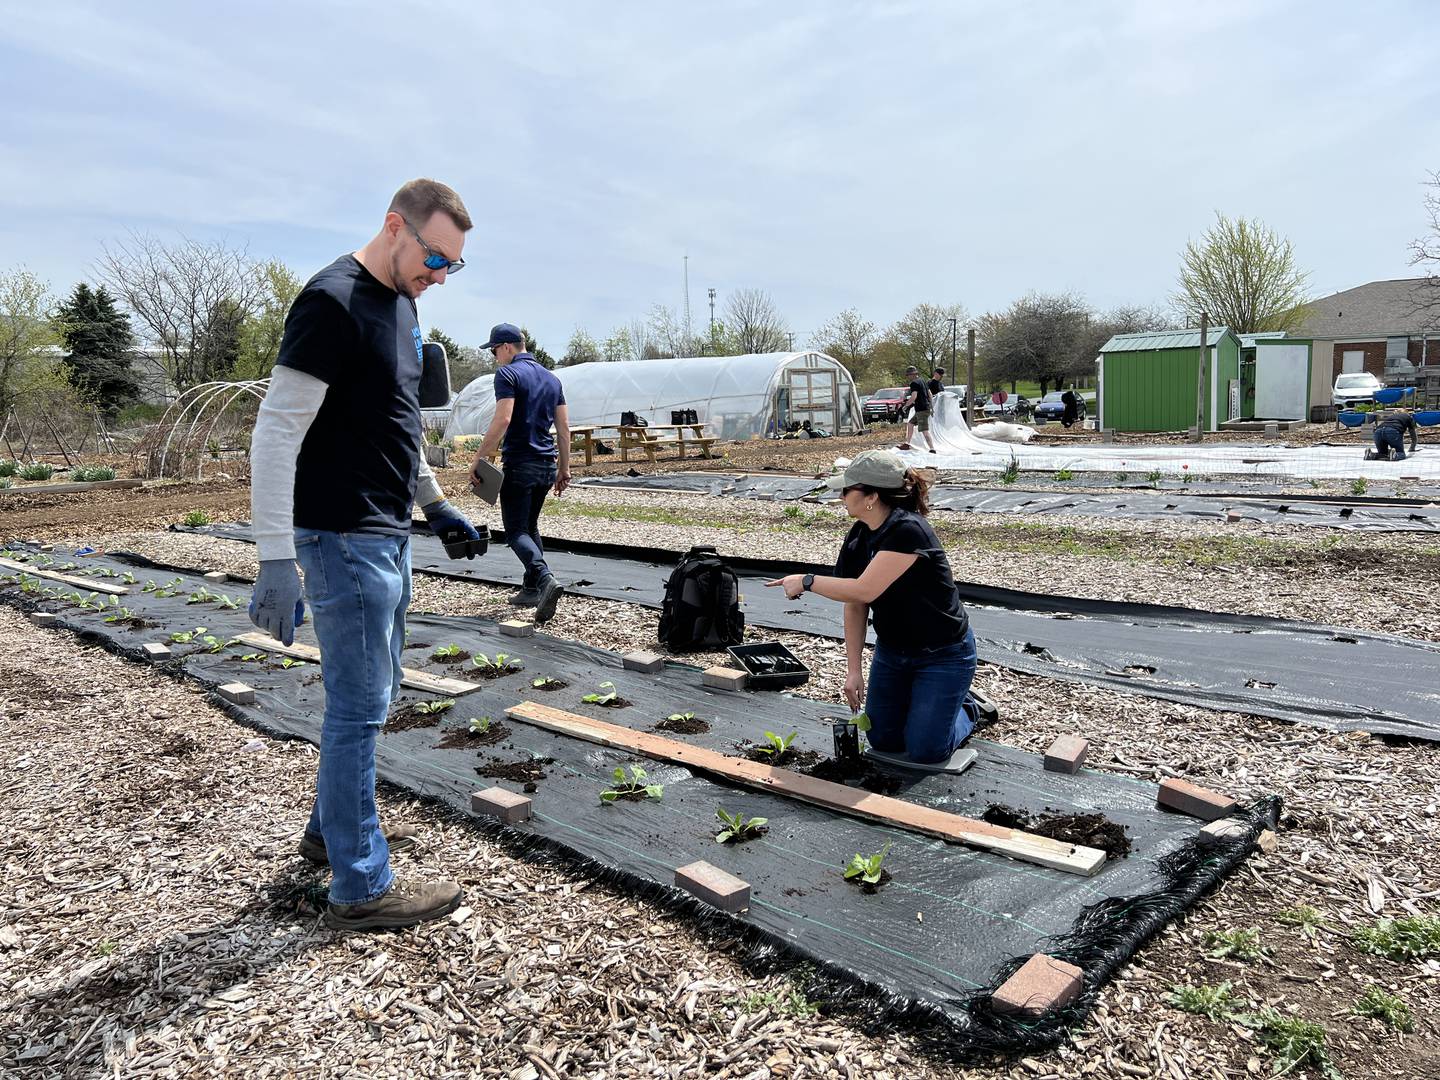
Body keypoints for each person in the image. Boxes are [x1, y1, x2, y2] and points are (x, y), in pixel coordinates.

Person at [248, 178, 479, 932]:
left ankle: (331, 834)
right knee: (358, 707)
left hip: (385, 533)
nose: (440, 275)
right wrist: (275, 555)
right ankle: (361, 885)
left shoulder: (404, 309)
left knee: (371, 697)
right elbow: (276, 433)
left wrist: (435, 502)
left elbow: (399, 422)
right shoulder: (332, 302)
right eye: (435, 256)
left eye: (453, 266)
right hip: (340, 536)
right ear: (394, 227)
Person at [765, 450, 994, 764]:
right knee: (883, 739)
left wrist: (807, 581)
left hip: (942, 654)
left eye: (847, 490)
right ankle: (933, 703)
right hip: (893, 652)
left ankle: (969, 707)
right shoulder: (860, 534)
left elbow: (865, 588)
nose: (841, 496)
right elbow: (855, 601)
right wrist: (854, 670)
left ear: (871, 496)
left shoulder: (908, 530)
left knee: (926, 750)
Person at [468, 324, 570, 623]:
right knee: (530, 526)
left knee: (515, 532)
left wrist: (479, 457)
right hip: (546, 465)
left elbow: (504, 418)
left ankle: (544, 579)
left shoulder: (508, 374)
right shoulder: (552, 379)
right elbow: (563, 429)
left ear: (508, 347)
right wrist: (564, 468)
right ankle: (530, 588)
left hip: (521, 463)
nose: (494, 356)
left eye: (494, 350)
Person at [897, 365, 936, 453]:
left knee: (925, 430)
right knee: (910, 423)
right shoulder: (923, 381)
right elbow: (930, 394)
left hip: (922, 410)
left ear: (913, 375)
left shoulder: (914, 383)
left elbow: (914, 396)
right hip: (923, 408)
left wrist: (906, 406)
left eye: (909, 375)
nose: (908, 377)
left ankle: (932, 448)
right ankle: (907, 444)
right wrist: (931, 407)